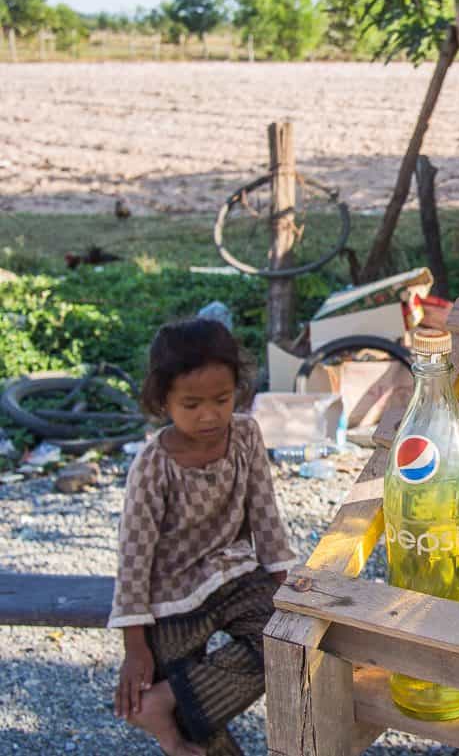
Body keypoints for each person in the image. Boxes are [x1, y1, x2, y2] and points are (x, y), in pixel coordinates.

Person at [109, 318, 296, 756]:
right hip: (170, 596)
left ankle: (164, 704)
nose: (209, 415)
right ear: (163, 401)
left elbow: (265, 514)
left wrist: (288, 584)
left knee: (284, 637)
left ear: (238, 391)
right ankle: (171, 730)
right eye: (191, 404)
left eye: (222, 400)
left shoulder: (246, 434)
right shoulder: (153, 464)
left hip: (233, 574)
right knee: (198, 723)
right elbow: (133, 558)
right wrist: (134, 646)